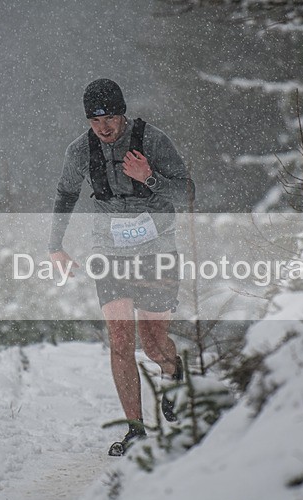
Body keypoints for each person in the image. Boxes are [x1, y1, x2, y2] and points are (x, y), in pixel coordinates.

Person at [48, 78, 195, 456]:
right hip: (109, 253)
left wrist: (149, 177)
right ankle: (135, 431)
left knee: (153, 343)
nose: (104, 127)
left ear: (122, 113)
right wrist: (55, 246)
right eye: (95, 120)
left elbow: (187, 192)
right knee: (119, 342)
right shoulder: (80, 151)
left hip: (156, 250)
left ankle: (173, 374)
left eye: (110, 117)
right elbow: (66, 194)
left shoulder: (153, 141)